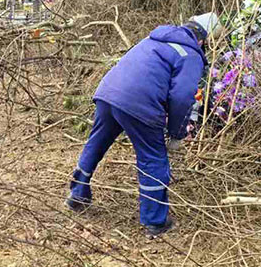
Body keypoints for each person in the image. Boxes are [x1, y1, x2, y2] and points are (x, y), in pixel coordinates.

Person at [65, 13, 220, 236]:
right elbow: (183, 97)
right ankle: (155, 222)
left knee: (95, 145)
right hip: (138, 104)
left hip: (107, 93)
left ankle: (76, 195)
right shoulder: (191, 54)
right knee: (153, 158)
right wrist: (177, 133)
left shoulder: (154, 39)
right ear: (203, 40)